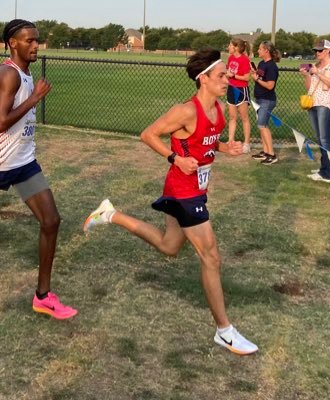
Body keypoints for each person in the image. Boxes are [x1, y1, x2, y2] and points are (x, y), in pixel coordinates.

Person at [83, 49, 258, 356]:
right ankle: (225, 331)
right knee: (211, 256)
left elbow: (205, 139)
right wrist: (175, 158)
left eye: (227, 75)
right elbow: (148, 134)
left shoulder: (217, 109)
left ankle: (110, 214)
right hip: (182, 190)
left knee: (169, 247)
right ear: (202, 79)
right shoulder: (185, 111)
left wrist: (224, 147)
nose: (227, 79)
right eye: (221, 75)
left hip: (196, 189)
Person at [0, 20, 77, 319]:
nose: (36, 45)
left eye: (37, 40)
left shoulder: (28, 74)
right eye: (29, 40)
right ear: (12, 43)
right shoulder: (9, 74)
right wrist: (34, 99)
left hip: (23, 164)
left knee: (51, 220)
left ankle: (43, 297)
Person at [299, 39, 330, 183]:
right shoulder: (315, 66)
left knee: (324, 138)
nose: (317, 53)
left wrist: (319, 73)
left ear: (328, 50)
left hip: (326, 105)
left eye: (320, 50)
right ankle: (326, 167)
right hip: (313, 104)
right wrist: (306, 75)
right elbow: (309, 87)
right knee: (320, 138)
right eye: (315, 50)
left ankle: (326, 173)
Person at [250, 41, 280, 165]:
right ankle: (266, 151)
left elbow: (270, 85)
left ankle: (272, 155)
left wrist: (256, 79)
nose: (258, 51)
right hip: (259, 99)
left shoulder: (272, 66)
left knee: (262, 126)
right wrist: (254, 73)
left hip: (267, 100)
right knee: (263, 126)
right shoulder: (262, 63)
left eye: (260, 49)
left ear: (266, 51)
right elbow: (260, 77)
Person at [226, 38, 252, 154]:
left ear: (236, 47)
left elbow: (247, 77)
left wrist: (233, 75)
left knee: (244, 118)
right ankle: (230, 141)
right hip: (231, 89)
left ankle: (247, 143)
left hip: (241, 90)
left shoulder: (244, 60)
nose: (228, 47)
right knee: (232, 117)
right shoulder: (230, 58)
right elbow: (228, 71)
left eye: (230, 45)